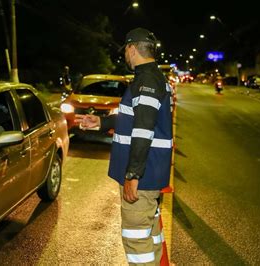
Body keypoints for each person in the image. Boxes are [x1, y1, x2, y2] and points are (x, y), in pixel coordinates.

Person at [75, 27, 173, 265]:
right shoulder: (150, 77)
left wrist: (133, 174)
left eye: (125, 51)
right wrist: (102, 122)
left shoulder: (146, 80)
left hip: (143, 176)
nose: (125, 56)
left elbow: (143, 130)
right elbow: (135, 118)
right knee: (149, 234)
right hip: (149, 174)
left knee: (136, 239)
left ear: (131, 48)